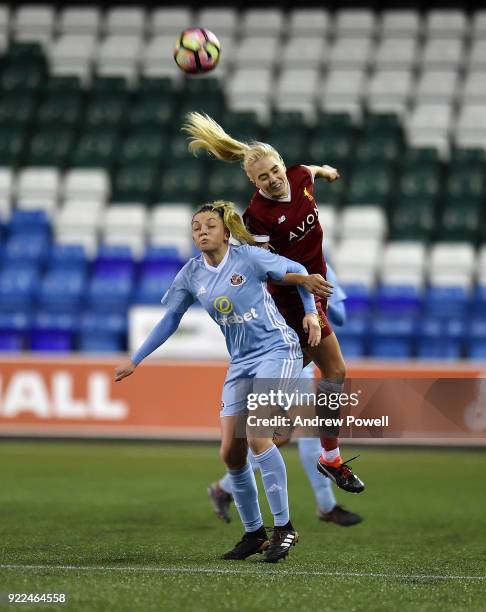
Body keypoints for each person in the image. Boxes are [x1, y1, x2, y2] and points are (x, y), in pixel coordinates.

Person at [114, 200, 333, 563]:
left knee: (260, 435)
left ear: (226, 230)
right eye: (196, 226)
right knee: (231, 451)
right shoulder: (191, 274)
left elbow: (296, 271)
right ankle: (253, 533)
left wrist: (310, 311)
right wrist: (136, 360)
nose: (201, 231)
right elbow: (170, 319)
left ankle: (284, 527)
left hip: (278, 350)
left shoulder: (248, 257)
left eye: (209, 225)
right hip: (242, 362)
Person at [182, 113, 365, 494]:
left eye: (275, 170)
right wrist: (310, 312)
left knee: (313, 391)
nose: (272, 179)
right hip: (291, 306)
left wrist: (326, 171)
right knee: (299, 401)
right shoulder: (258, 219)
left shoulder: (299, 176)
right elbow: (279, 272)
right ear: (253, 181)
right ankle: (245, 470)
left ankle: (242, 474)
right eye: (262, 177)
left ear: (283, 165)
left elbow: (308, 171)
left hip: (317, 292)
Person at [208, 264, 363, 527]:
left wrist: (313, 305)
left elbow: (337, 316)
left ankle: (325, 505)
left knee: (296, 433)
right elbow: (339, 315)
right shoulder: (302, 266)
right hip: (283, 356)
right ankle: (228, 487)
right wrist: (320, 303)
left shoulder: (277, 266)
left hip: (296, 357)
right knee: (280, 434)